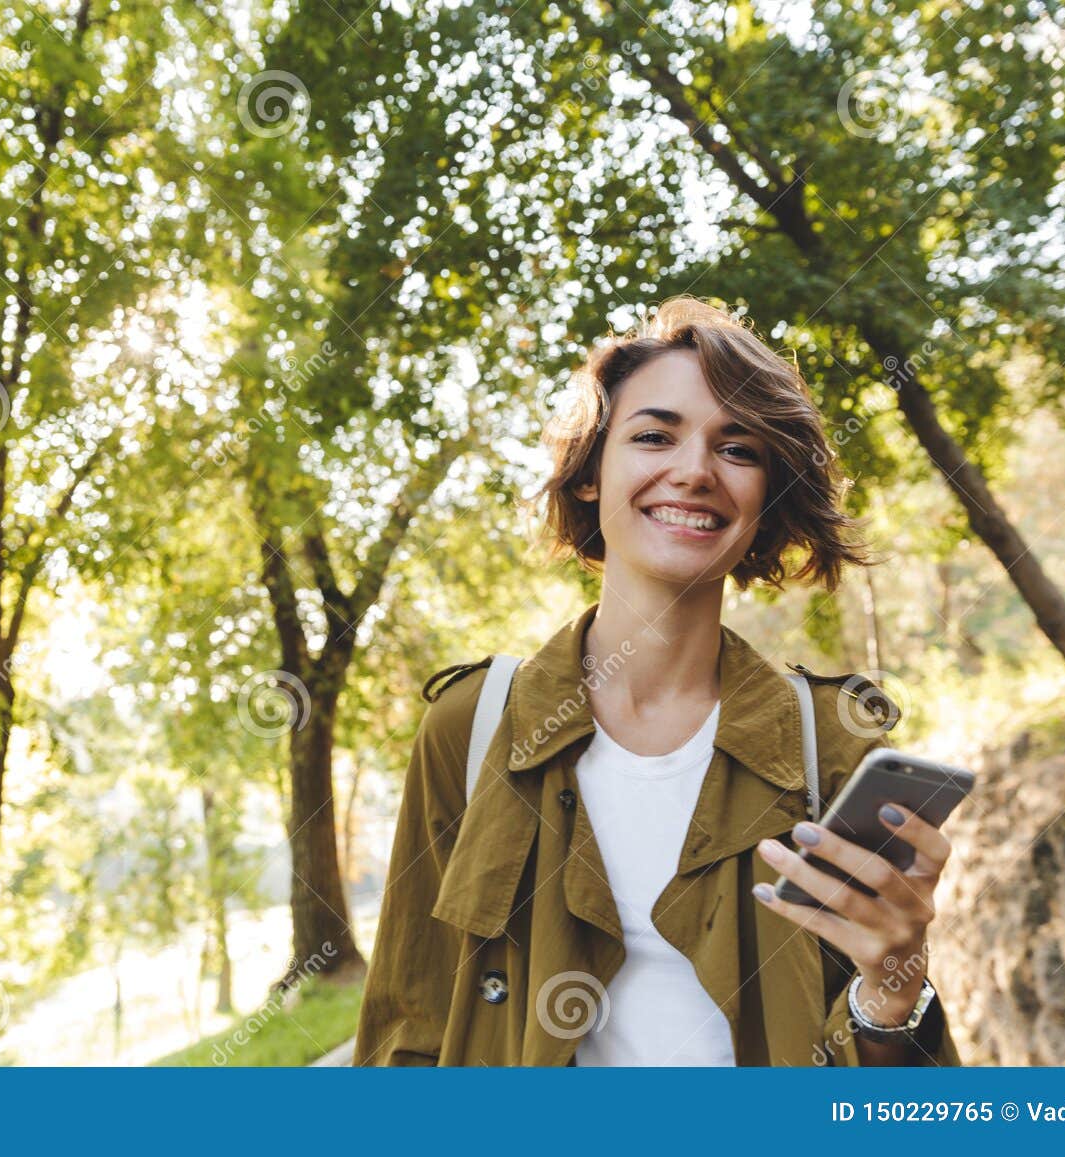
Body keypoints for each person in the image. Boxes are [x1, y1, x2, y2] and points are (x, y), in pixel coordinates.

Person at [353, 296, 961, 1066]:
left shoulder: (832, 740)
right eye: (653, 436)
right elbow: (408, 1030)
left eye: (738, 449)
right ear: (587, 475)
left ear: (765, 496)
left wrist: (893, 988)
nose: (696, 471)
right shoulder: (471, 728)